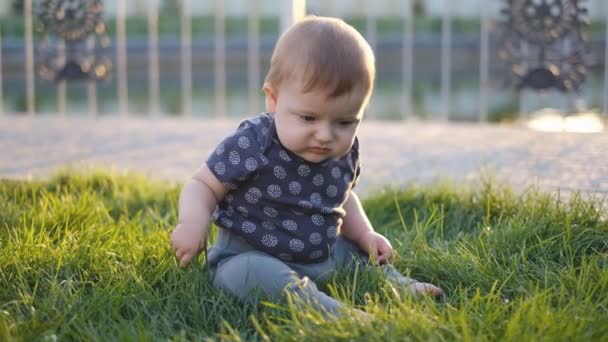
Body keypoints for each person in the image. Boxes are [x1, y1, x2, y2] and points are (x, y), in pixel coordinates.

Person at [170, 16, 442, 318]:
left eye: (345, 122)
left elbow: (344, 197)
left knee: (354, 252)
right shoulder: (253, 142)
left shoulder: (344, 151)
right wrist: (192, 224)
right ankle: (336, 314)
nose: (325, 135)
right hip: (252, 255)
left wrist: (366, 234)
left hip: (321, 255)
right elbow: (203, 185)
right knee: (247, 274)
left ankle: (398, 284)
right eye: (308, 118)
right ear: (273, 99)